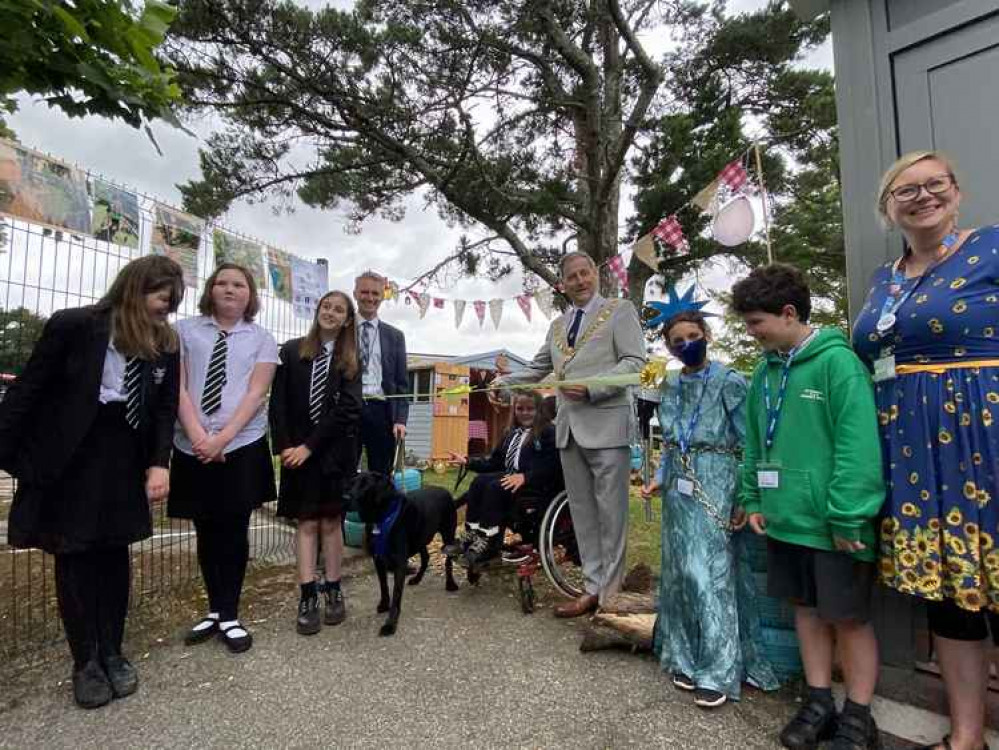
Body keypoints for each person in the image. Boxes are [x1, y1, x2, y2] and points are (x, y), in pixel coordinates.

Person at [852, 151, 999, 750]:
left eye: (933, 184)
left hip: (984, 434)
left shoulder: (991, 247)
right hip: (911, 449)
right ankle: (966, 735)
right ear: (889, 209)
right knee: (950, 594)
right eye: (904, 190)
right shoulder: (884, 279)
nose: (921, 196)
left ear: (956, 192)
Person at [0, 256, 184, 709]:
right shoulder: (74, 326)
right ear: (135, 287)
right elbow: (30, 388)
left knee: (115, 551)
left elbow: (162, 409)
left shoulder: (166, 342)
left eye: (173, 301)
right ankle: (85, 662)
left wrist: (160, 463)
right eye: (162, 297)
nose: (166, 307)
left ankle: (114, 652)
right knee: (75, 553)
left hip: (124, 454)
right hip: (72, 454)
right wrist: (8, 452)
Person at [733, 263, 885, 750]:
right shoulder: (765, 370)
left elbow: (857, 444)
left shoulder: (837, 363)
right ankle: (819, 701)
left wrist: (848, 513)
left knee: (849, 619)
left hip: (832, 524)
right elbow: (755, 440)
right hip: (785, 520)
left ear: (789, 312)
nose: (751, 333)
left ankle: (859, 716)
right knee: (805, 611)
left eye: (756, 323)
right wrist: (753, 496)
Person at [640, 292, 777, 709]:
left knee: (710, 575)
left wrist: (745, 494)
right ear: (669, 347)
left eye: (692, 336)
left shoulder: (731, 381)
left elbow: (750, 442)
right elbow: (671, 439)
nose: (686, 345)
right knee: (681, 574)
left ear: (707, 335)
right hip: (681, 484)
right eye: (677, 341)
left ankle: (720, 668)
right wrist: (661, 477)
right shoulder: (671, 384)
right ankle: (684, 655)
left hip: (717, 482)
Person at [493, 251, 646, 617]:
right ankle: (591, 588)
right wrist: (503, 384)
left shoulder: (620, 311)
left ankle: (611, 595)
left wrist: (593, 387)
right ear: (562, 284)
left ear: (596, 274)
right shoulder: (557, 326)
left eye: (585, 273)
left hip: (608, 426)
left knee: (612, 514)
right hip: (568, 431)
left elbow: (634, 363)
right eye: (572, 276)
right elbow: (535, 369)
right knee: (583, 514)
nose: (580, 281)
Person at [169, 263, 278, 654]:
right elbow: (177, 386)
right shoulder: (183, 332)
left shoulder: (262, 338)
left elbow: (256, 394)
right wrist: (199, 436)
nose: (230, 289)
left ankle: (230, 613)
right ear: (210, 290)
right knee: (205, 528)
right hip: (192, 443)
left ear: (250, 294)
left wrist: (223, 439)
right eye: (222, 283)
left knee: (233, 529)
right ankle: (214, 609)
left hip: (241, 444)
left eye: (239, 284)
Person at [269, 291, 362, 635]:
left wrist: (311, 446)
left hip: (334, 455)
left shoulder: (350, 359)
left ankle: (333, 588)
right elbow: (276, 404)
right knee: (306, 524)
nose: (331, 313)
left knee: (331, 523)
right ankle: (307, 594)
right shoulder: (292, 351)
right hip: (296, 455)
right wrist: (284, 447)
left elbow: (349, 410)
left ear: (347, 320)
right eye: (327, 306)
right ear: (318, 310)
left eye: (339, 310)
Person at [448, 391, 562, 573]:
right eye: (520, 408)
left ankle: (489, 542)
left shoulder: (548, 432)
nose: (524, 412)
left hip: (536, 484)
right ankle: (472, 533)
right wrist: (468, 462)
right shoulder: (511, 434)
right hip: (513, 479)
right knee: (479, 482)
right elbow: (495, 462)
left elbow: (552, 464)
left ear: (539, 410)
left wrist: (526, 477)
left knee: (496, 486)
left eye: (530, 409)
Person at [353, 270, 408, 475]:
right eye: (365, 292)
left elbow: (402, 382)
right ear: (355, 293)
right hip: (349, 407)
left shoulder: (395, 336)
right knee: (344, 471)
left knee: (381, 475)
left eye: (376, 293)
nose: (370, 298)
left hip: (382, 411)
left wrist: (400, 419)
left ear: (382, 296)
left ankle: (380, 508)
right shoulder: (343, 329)